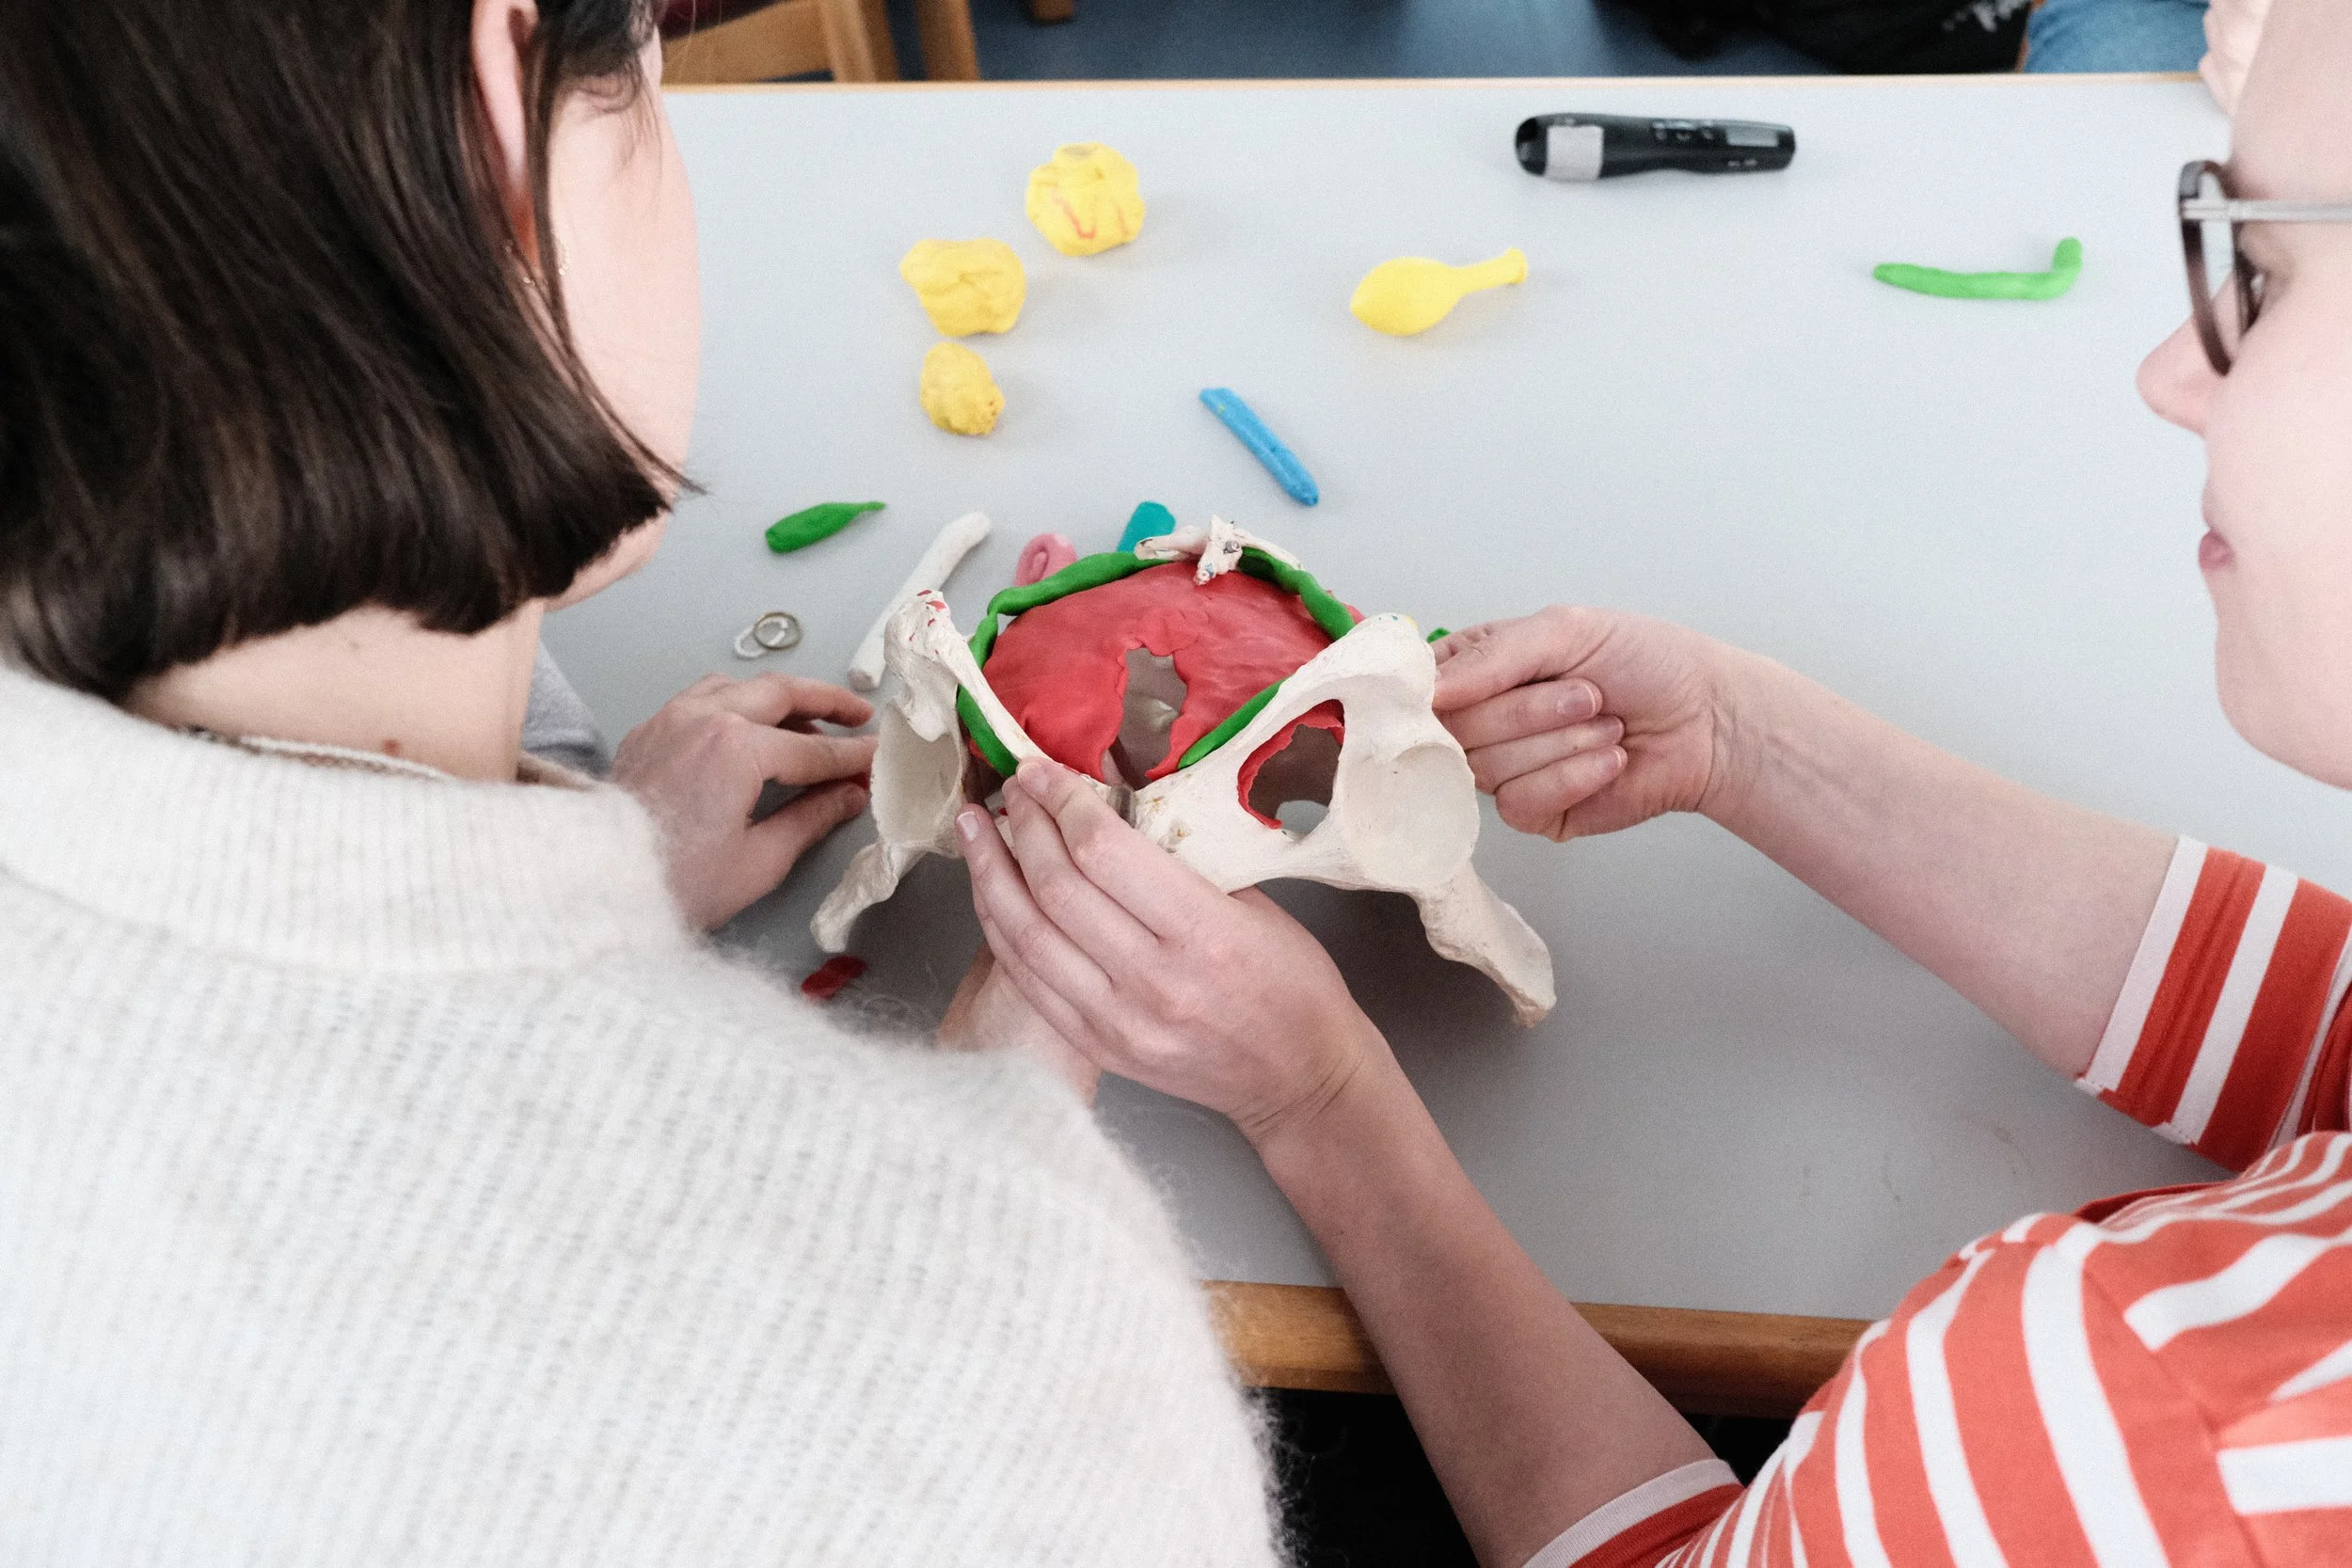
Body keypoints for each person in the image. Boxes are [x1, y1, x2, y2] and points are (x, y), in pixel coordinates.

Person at [961, 1, 2352, 1562]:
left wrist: (1321, 1101)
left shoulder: (2134, 1430)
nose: (2176, 369)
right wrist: (1751, 743)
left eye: (2266, 271)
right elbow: (2327, 1024)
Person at [0, 2, 1278, 1562]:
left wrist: (593, 869)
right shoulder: (990, 1335)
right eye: (652, 83)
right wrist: (991, 1165)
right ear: (498, 129)